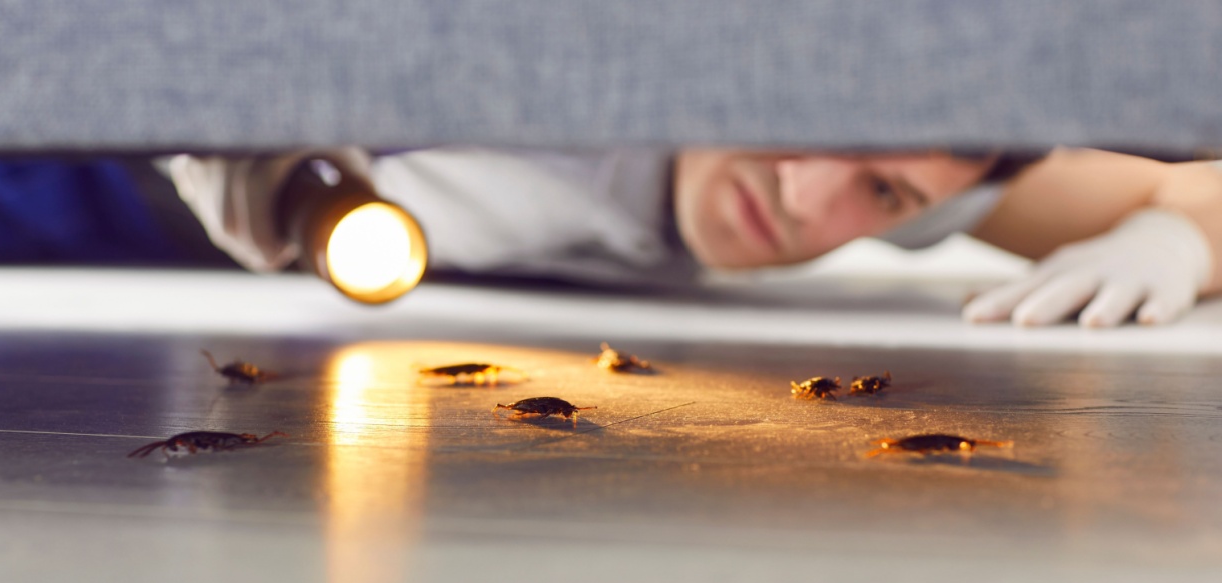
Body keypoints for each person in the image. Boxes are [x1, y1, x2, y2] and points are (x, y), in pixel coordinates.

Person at [169, 145, 1222, 328]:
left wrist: (1173, 239)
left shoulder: (929, 172)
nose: (806, 200)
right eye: (817, 129)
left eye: (881, 194)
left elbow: (1200, 190)